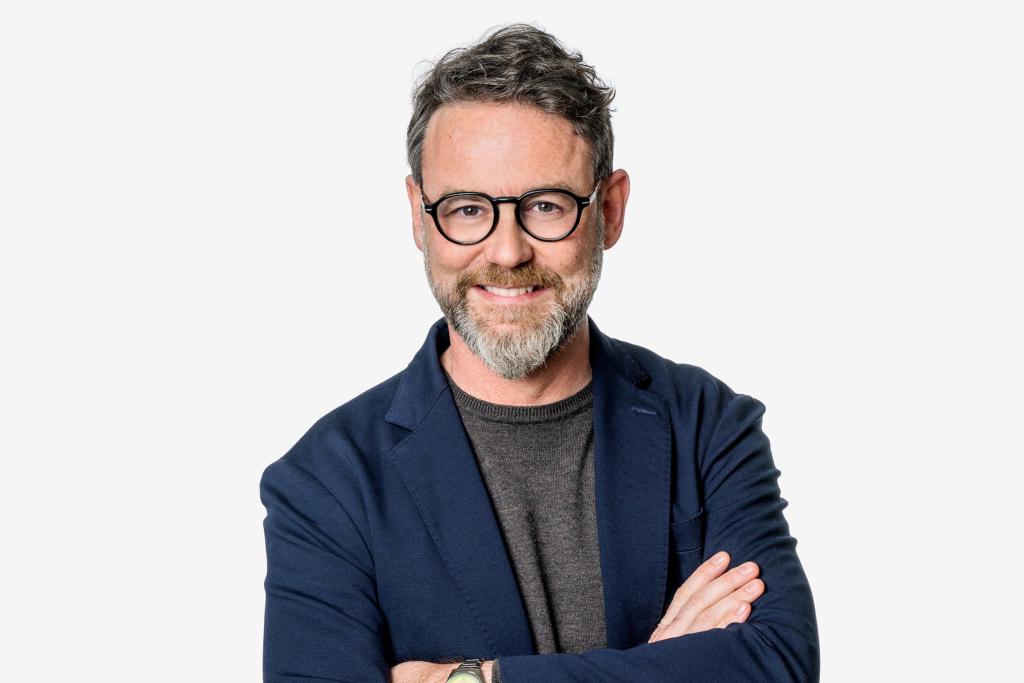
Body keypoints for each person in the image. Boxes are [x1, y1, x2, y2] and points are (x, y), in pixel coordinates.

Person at [260, 23, 818, 683]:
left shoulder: (709, 425)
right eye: (468, 210)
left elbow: (777, 665)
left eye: (546, 206)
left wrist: (477, 678)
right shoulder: (325, 482)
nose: (507, 251)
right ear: (418, 215)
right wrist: (665, 665)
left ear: (610, 210)